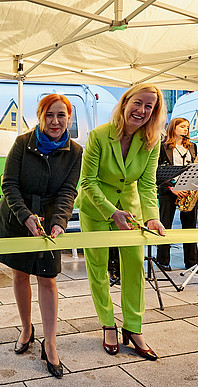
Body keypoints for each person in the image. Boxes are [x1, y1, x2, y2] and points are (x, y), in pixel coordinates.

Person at [0, 94, 82, 379]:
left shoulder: (75, 151)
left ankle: (51, 343)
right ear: (40, 117)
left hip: (50, 220)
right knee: (20, 275)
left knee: (48, 279)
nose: (55, 122)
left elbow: (68, 191)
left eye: (61, 115)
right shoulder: (22, 143)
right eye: (50, 115)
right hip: (19, 217)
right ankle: (27, 329)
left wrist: (60, 222)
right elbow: (9, 184)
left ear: (69, 117)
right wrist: (25, 216)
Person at [75, 84, 167, 361]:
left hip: (131, 210)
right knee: (98, 268)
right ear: (125, 103)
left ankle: (134, 328)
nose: (141, 110)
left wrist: (152, 217)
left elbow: (148, 184)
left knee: (135, 267)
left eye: (149, 106)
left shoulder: (152, 140)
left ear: (154, 112)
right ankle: (108, 324)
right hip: (96, 209)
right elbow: (87, 181)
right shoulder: (99, 135)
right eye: (138, 103)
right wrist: (111, 211)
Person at [157, 117, 198, 270]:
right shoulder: (163, 147)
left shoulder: (192, 147)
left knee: (190, 227)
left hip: (188, 191)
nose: (186, 130)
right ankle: (163, 262)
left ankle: (192, 262)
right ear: (173, 128)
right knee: (165, 226)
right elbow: (157, 171)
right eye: (182, 127)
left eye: (187, 127)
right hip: (169, 191)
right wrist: (173, 187)